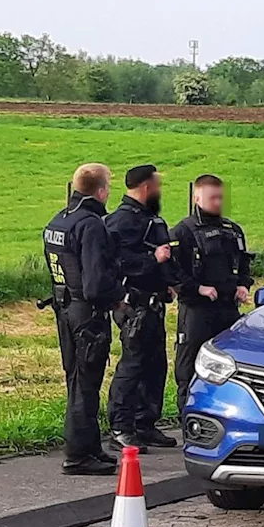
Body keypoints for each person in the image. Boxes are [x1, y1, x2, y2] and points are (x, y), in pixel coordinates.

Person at [44, 164, 125, 476]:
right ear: (101, 191)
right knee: (85, 385)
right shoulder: (91, 225)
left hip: (64, 309)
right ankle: (78, 455)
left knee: (75, 379)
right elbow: (94, 283)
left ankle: (90, 446)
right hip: (87, 315)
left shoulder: (59, 219)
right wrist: (118, 296)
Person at [106, 165, 178, 452]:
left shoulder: (150, 218)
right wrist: (154, 258)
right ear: (146, 187)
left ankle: (145, 423)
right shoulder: (120, 222)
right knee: (132, 367)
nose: (160, 190)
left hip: (154, 304)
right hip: (134, 305)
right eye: (158, 185)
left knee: (155, 365)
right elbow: (118, 263)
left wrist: (168, 283)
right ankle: (121, 427)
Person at [170, 175, 253, 413]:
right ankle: (188, 417)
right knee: (189, 367)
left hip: (228, 309)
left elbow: (243, 263)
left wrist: (243, 285)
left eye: (220, 197)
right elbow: (173, 272)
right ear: (197, 198)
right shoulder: (183, 231)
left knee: (231, 364)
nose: (217, 202)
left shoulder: (232, 230)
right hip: (197, 310)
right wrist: (198, 288)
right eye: (212, 197)